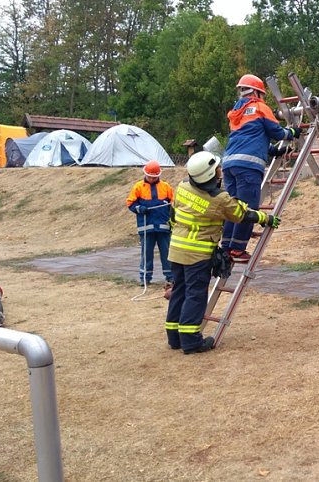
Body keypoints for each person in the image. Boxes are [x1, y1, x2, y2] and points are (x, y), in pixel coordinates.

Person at [166, 151, 281, 354]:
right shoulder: (218, 199)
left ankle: (174, 338)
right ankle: (191, 341)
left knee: (180, 291)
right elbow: (240, 214)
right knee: (195, 295)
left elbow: (174, 213)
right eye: (217, 168)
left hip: (176, 250)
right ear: (210, 174)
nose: (221, 170)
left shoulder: (183, 186)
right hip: (197, 255)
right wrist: (266, 218)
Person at [221, 73, 300, 263]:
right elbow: (276, 132)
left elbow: (250, 137)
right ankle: (238, 249)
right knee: (249, 209)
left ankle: (226, 247)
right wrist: (292, 132)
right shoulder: (259, 107)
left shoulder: (236, 112)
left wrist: (274, 151)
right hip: (248, 167)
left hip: (229, 164)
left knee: (233, 207)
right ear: (257, 92)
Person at [126, 160, 174, 290]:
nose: (152, 179)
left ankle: (170, 277)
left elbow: (173, 203)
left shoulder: (166, 187)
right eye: (149, 177)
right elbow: (130, 203)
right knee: (146, 253)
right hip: (146, 227)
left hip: (163, 227)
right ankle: (145, 278)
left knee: (167, 253)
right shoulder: (138, 187)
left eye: (154, 177)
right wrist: (139, 208)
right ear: (145, 174)